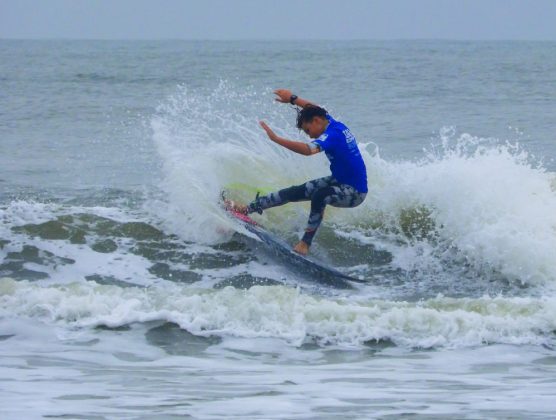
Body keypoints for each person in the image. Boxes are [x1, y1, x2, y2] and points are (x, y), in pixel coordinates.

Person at [230, 89, 368, 256]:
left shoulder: (332, 135)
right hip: (339, 181)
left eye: (308, 131)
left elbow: (308, 150)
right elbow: (315, 108)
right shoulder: (331, 123)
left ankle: (305, 244)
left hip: (354, 192)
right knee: (293, 192)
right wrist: (292, 99)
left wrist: (276, 140)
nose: (309, 136)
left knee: (320, 196)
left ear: (316, 121)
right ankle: (246, 209)